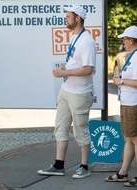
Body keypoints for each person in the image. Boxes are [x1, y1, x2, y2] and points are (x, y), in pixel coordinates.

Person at [38, 5, 96, 179]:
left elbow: (88, 69)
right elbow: (76, 62)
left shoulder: (87, 41)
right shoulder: (75, 37)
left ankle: (84, 166)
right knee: (60, 127)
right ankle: (58, 165)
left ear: (78, 18)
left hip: (80, 93)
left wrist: (65, 72)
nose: (66, 19)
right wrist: (65, 67)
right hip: (66, 89)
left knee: (80, 130)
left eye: (69, 16)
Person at [106, 25, 137, 187]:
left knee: (136, 139)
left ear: (131, 40)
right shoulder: (135, 55)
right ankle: (123, 173)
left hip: (136, 102)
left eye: (125, 39)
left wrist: (122, 81)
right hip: (130, 102)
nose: (123, 42)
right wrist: (121, 79)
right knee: (129, 139)